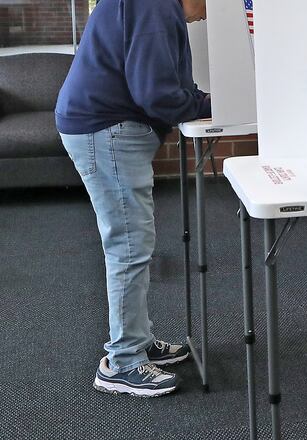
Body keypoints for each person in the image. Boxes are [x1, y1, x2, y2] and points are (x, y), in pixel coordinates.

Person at [55, 0, 211, 397]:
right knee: (128, 246)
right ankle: (122, 362)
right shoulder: (154, 4)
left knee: (133, 241)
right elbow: (157, 93)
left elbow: (169, 83)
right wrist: (208, 104)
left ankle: (138, 342)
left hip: (106, 125)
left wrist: (202, 100)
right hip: (106, 130)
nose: (210, 13)